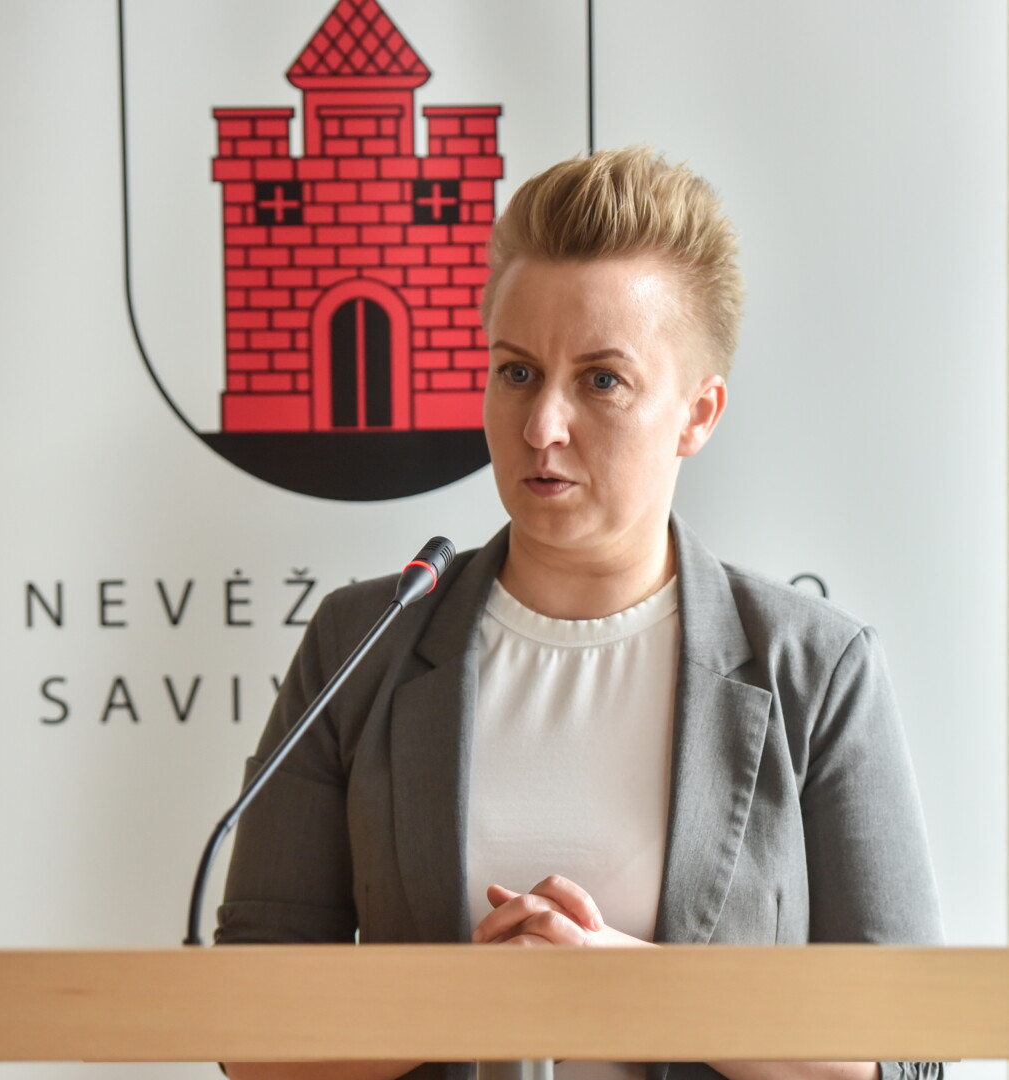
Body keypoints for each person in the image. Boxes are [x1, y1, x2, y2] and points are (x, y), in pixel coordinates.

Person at [215, 148, 944, 1080]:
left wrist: (638, 995)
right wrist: (459, 1008)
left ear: (698, 413)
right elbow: (247, 1026)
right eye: (517, 372)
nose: (541, 427)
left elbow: (912, 1051)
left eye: (602, 380)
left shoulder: (816, 667)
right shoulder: (360, 645)